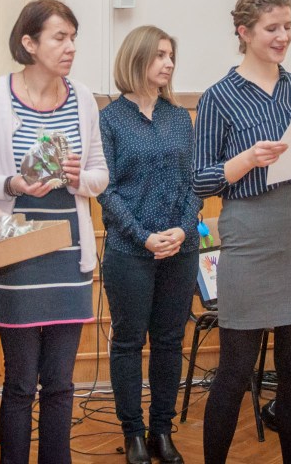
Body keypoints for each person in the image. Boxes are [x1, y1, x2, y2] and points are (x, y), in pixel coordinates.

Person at [192, 0, 291, 464]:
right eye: (271, 28)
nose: (283, 36)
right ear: (244, 32)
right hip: (249, 234)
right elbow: (200, 179)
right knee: (235, 369)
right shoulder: (218, 97)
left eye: (288, 26)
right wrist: (247, 159)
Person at [0, 0, 108, 464]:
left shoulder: (83, 98)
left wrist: (78, 178)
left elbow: (100, 176)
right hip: (15, 257)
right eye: (60, 37)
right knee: (21, 383)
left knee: (60, 383)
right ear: (29, 42)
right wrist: (11, 184)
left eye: (73, 38)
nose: (70, 47)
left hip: (70, 257)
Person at [98, 25, 202, 464]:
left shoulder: (179, 118)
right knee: (127, 342)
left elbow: (194, 183)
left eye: (171, 55)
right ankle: (134, 434)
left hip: (180, 249)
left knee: (169, 342)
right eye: (160, 54)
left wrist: (183, 228)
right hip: (129, 252)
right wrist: (143, 235)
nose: (168, 63)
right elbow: (105, 189)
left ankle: (162, 430)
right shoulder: (109, 119)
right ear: (137, 57)